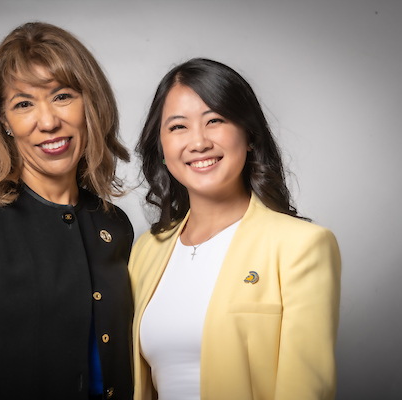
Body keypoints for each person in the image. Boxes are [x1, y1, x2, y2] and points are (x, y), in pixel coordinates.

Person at [0, 22, 134, 400]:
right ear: (4, 121)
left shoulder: (114, 225)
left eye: (63, 96)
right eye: (23, 104)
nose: (48, 122)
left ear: (90, 104)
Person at [129, 58, 341, 400]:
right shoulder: (146, 251)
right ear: (162, 147)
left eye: (215, 120)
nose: (198, 142)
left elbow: (305, 390)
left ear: (249, 135)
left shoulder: (302, 246)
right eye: (178, 127)